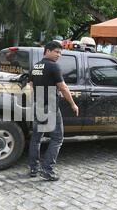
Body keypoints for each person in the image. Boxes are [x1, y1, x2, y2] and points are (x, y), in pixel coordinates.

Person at [28, 41, 79, 181]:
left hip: (38, 105)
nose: (59, 55)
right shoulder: (53, 66)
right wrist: (73, 104)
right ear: (47, 51)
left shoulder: (36, 66)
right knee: (57, 138)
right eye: (56, 51)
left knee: (36, 138)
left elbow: (30, 85)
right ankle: (48, 170)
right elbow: (63, 87)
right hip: (50, 106)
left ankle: (34, 168)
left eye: (60, 52)